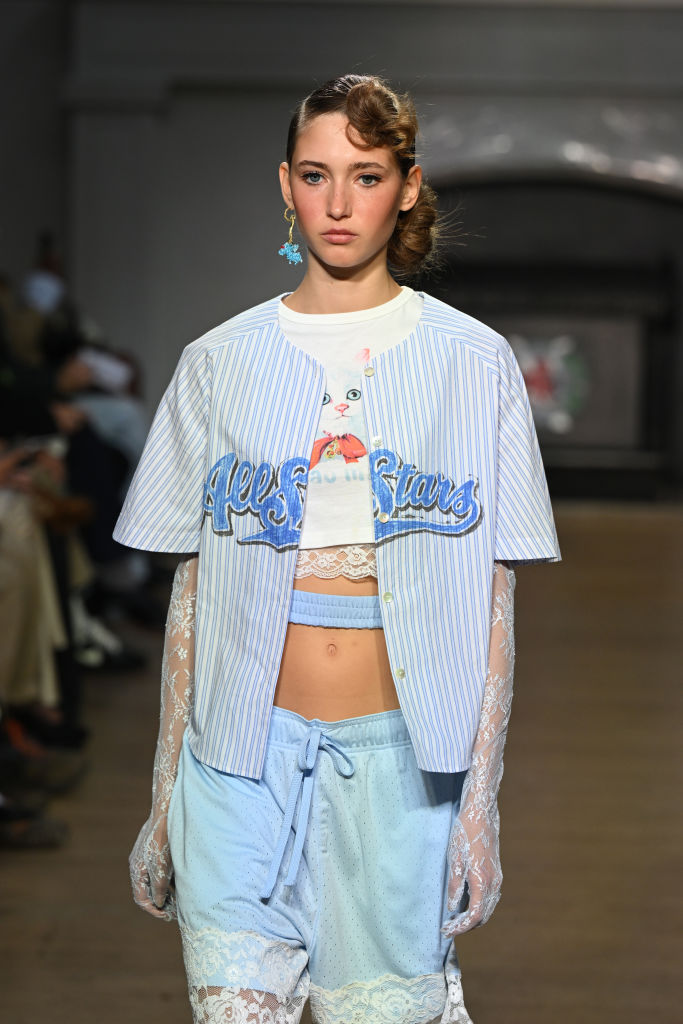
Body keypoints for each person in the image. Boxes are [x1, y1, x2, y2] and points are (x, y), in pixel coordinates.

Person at [114, 74, 560, 1024]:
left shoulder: (473, 365)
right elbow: (193, 594)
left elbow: (492, 604)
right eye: (316, 175)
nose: (338, 201)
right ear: (285, 184)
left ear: (406, 185)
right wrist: (164, 796)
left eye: (365, 175)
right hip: (236, 759)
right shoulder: (217, 363)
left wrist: (477, 807)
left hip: (402, 765)